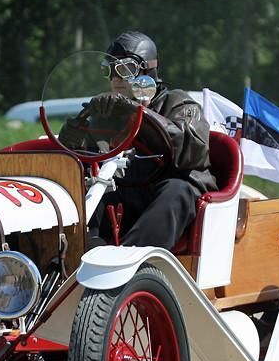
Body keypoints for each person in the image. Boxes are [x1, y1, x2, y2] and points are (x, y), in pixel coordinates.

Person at [62, 30, 216, 249]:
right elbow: (86, 160)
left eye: (125, 69)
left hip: (165, 194)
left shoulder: (179, 103)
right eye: (110, 70)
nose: (116, 78)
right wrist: (74, 136)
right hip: (125, 190)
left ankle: (131, 263)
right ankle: (80, 254)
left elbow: (194, 152)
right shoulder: (106, 113)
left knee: (178, 190)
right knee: (87, 185)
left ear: (148, 71)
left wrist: (140, 114)